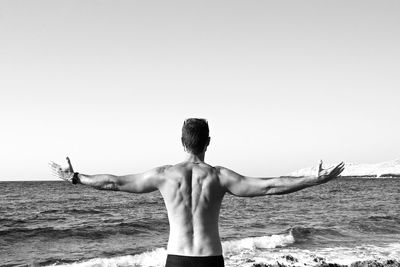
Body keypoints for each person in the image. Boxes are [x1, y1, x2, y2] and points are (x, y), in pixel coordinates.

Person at [49, 118, 344, 267]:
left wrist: (75, 178)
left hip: (176, 259)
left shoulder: (164, 175)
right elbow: (269, 186)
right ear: (208, 142)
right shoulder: (219, 177)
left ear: (182, 141)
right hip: (211, 259)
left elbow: (113, 182)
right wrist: (311, 180)